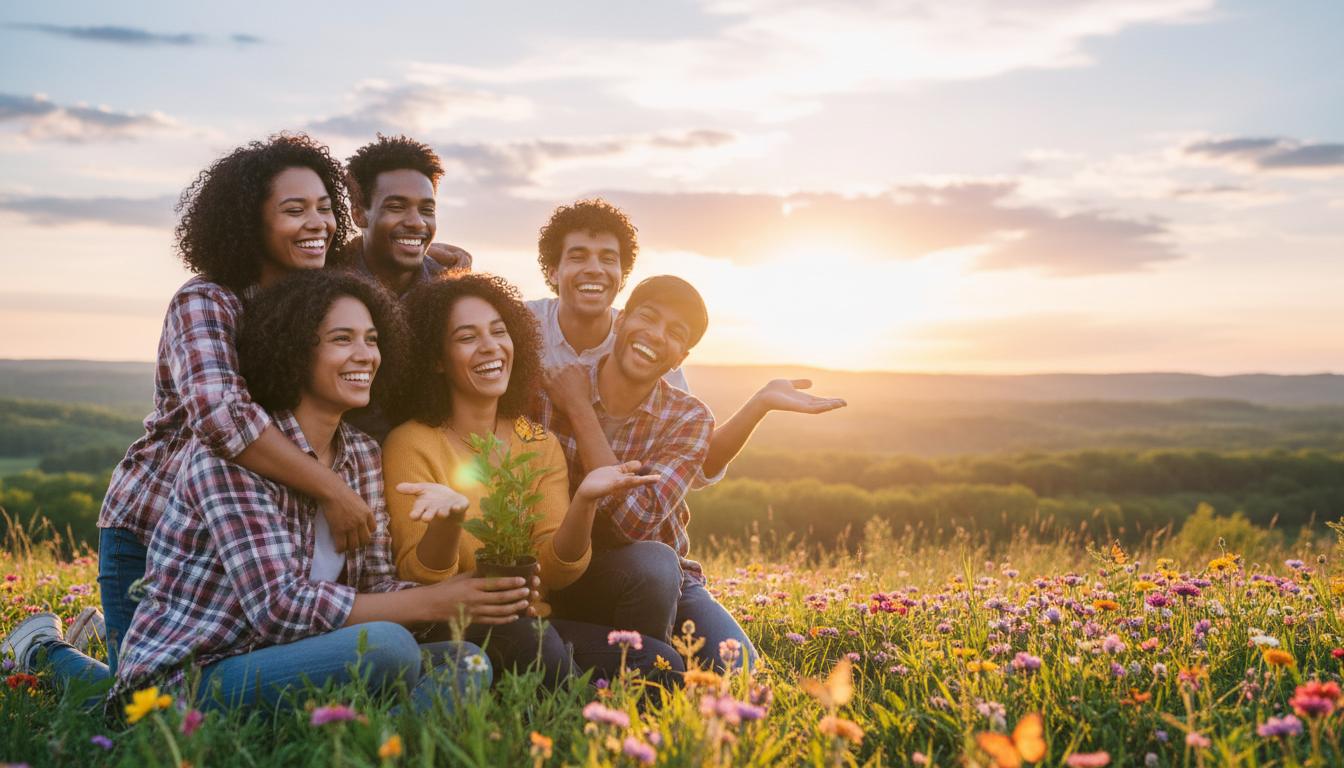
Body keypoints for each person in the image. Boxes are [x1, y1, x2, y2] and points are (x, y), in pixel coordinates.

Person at [4, 271, 510, 711]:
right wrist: (435, 603)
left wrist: (465, 591)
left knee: (466, 661)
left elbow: (375, 587)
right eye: (342, 339)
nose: (365, 355)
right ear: (294, 352)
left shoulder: (360, 454)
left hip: (291, 661)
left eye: (372, 339)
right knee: (387, 648)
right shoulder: (233, 457)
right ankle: (51, 656)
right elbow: (280, 608)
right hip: (197, 672)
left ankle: (369, 746)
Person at [88, 134, 376, 675]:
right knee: (139, 698)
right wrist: (333, 488)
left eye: (324, 208)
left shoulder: (312, 302)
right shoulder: (206, 301)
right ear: (250, 223)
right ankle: (44, 649)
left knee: (239, 679)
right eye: (295, 210)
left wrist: (430, 262)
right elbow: (222, 418)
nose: (317, 223)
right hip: (154, 527)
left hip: (243, 531)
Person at [382, 272, 683, 686]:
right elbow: (423, 577)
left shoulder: (536, 440)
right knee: (530, 639)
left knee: (660, 662)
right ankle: (577, 715)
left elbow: (555, 572)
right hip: (457, 628)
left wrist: (584, 502)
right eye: (467, 337)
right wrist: (447, 522)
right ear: (436, 359)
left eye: (499, 332)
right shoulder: (411, 443)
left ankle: (579, 702)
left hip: (534, 623)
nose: (490, 346)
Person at [527, 198, 846, 482]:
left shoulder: (646, 350)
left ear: (622, 276)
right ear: (553, 271)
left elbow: (695, 459)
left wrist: (759, 404)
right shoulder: (520, 328)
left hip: (620, 513)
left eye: (608, 259)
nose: (595, 269)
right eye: (578, 257)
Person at [537, 276, 757, 671]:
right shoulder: (554, 390)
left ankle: (648, 662)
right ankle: (644, 676)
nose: (657, 335)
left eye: (675, 333)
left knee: (741, 669)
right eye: (649, 318)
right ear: (620, 321)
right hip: (566, 573)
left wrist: (580, 410)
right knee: (652, 568)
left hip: (666, 580)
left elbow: (634, 524)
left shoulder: (689, 417)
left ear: (680, 358)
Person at [337, 134, 471, 299]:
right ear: (358, 215)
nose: (417, 223)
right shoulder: (323, 285)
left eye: (427, 209)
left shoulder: (453, 293)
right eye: (396, 207)